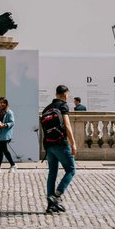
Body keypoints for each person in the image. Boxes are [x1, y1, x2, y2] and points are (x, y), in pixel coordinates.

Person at [42, 85, 77, 214]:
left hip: (49, 145)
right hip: (61, 144)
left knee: (52, 173)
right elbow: (67, 125)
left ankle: (50, 204)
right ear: (65, 95)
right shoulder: (63, 106)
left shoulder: (47, 108)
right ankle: (57, 195)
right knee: (71, 170)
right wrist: (73, 143)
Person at [0, 97, 16, 169]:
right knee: (3, 150)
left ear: (6, 103)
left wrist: (5, 125)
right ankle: (12, 165)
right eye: (1, 102)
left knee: (1, 150)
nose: (2, 104)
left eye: (4, 102)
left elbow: (12, 122)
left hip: (5, 134)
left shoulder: (9, 112)